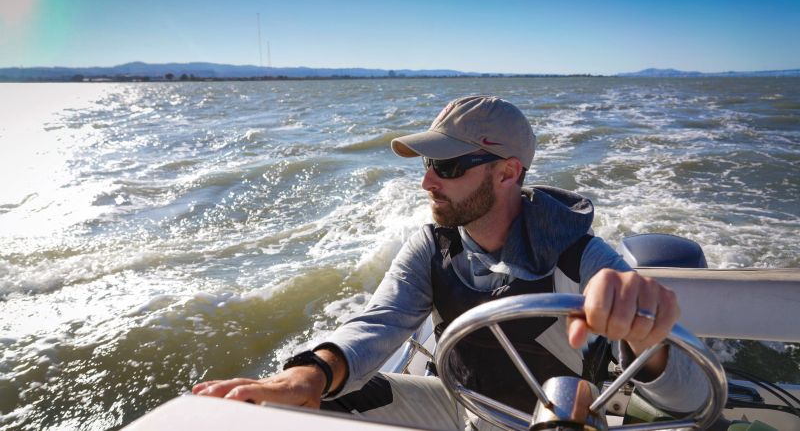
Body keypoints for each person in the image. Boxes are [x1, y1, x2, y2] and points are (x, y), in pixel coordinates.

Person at [193, 95, 706, 429]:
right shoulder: (433, 246)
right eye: (427, 164)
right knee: (311, 403)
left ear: (507, 173)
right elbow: (380, 322)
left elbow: (691, 401)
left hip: (555, 419)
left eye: (447, 165)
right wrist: (307, 377)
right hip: (459, 406)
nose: (427, 181)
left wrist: (648, 336)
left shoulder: (584, 257)